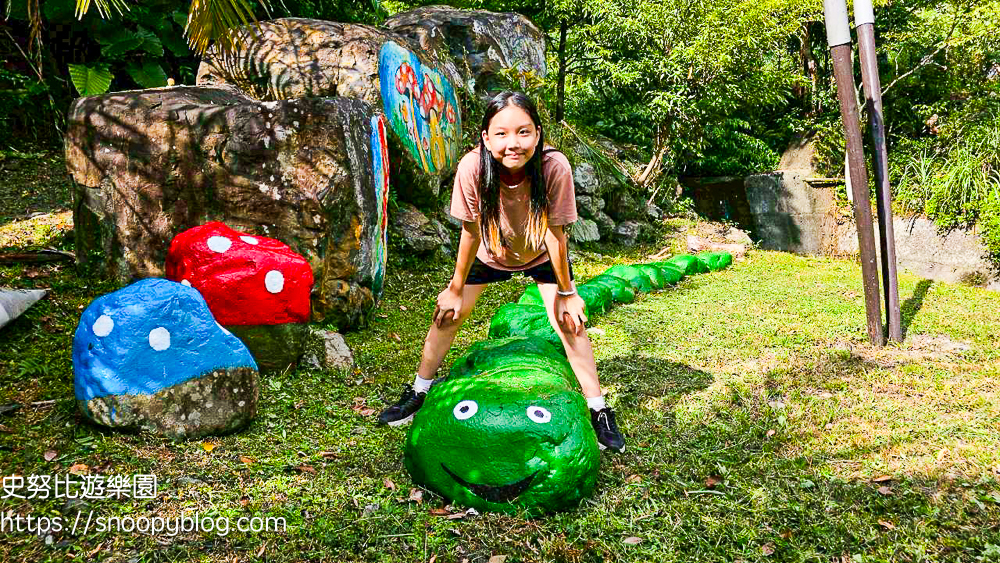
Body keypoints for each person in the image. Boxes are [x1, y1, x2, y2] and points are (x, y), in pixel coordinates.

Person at [377, 91, 624, 452]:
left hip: (541, 253)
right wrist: (455, 288)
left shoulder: (554, 167)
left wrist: (569, 295)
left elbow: (557, 234)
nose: (513, 143)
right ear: (486, 137)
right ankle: (418, 390)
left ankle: (598, 409)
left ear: (538, 134)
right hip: (490, 252)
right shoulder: (472, 168)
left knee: (571, 324)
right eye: (502, 134)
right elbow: (471, 231)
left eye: (524, 132)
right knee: (446, 316)